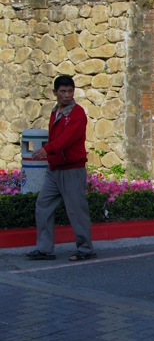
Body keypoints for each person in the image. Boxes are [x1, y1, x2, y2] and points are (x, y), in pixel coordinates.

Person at [26, 75, 96, 262]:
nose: (67, 95)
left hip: (72, 169)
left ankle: (85, 249)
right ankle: (44, 248)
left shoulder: (77, 113)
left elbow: (68, 138)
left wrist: (47, 149)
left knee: (76, 210)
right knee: (43, 205)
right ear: (55, 92)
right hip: (55, 169)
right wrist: (50, 154)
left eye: (70, 91)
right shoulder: (55, 112)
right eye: (63, 91)